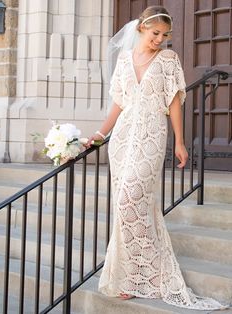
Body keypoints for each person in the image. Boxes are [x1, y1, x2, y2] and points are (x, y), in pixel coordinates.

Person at [85, 5, 228, 311]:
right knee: (125, 206)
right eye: (155, 34)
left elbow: (174, 101)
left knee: (130, 200)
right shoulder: (124, 60)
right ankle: (131, 276)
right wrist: (99, 133)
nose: (160, 40)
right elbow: (118, 104)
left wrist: (179, 140)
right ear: (140, 29)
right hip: (123, 139)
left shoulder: (167, 60)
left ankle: (151, 273)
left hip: (151, 134)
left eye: (165, 35)